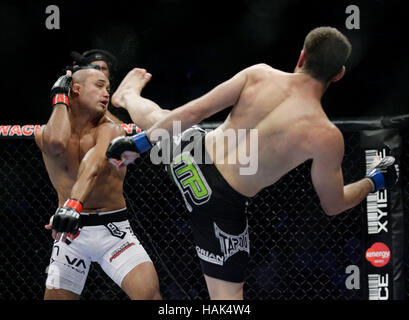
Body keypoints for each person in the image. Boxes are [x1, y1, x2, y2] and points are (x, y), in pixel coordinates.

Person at [105, 27, 398, 300]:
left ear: (302, 56)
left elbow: (195, 111)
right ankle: (130, 99)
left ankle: (129, 96)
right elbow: (333, 204)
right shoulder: (325, 135)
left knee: (162, 120)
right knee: (228, 301)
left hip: (192, 160)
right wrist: (376, 180)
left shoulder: (259, 75)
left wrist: (139, 144)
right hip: (219, 205)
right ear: (339, 75)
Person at [35, 66, 161, 300]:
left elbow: (93, 165)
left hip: (114, 231)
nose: (106, 94)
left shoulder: (110, 129)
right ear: (76, 90)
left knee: (148, 295)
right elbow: (54, 144)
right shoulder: (46, 132)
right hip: (71, 234)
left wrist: (73, 204)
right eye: (100, 85)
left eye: (109, 89)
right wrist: (59, 97)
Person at [70, 49, 133, 124]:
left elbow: (124, 129)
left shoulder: (117, 100)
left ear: (109, 73)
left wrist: (101, 107)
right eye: (95, 68)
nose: (99, 71)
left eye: (103, 68)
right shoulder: (73, 94)